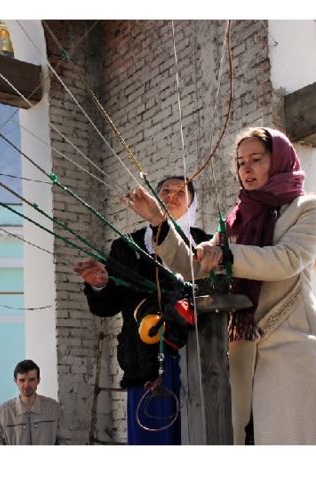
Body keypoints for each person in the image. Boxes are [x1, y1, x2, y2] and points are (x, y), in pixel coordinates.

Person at [127, 127, 316, 445]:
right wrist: (159, 222)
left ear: (278, 160)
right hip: (243, 347)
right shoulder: (237, 220)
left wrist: (226, 254)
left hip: (292, 344)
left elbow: (288, 259)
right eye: (240, 162)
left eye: (256, 160)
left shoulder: (307, 209)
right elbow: (194, 265)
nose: (245, 169)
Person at [74, 176, 212, 445]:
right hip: (144, 362)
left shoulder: (204, 245)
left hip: (195, 357)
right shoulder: (127, 247)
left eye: (180, 193)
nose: (171, 196)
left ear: (192, 203)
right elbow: (107, 305)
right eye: (165, 191)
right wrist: (101, 285)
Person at [0, 359, 69, 445]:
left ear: (38, 380)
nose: (26, 385)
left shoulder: (53, 409)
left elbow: (65, 441)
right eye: (22, 380)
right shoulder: (3, 413)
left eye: (31, 380)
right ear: (15, 381)